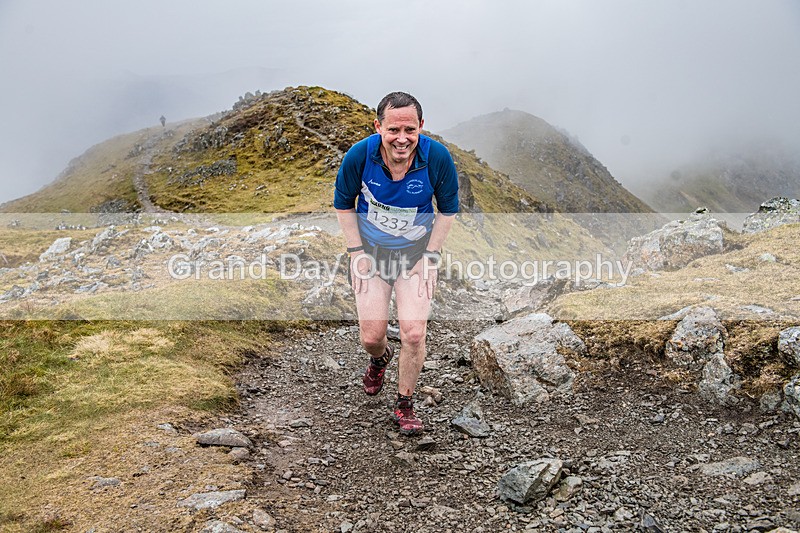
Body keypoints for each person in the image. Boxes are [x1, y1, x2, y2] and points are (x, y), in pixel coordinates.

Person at [333, 91, 459, 435]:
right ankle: (379, 359)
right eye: (393, 130)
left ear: (420, 126)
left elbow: (447, 210)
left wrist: (430, 257)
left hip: (415, 257)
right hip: (371, 255)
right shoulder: (360, 156)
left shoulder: (437, 159)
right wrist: (355, 252)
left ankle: (405, 403)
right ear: (379, 127)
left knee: (414, 333)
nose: (401, 139)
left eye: (409, 130)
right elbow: (343, 204)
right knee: (372, 336)